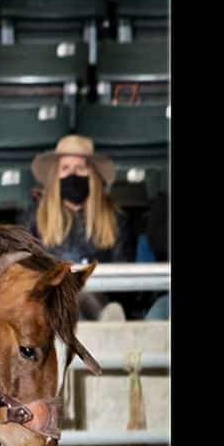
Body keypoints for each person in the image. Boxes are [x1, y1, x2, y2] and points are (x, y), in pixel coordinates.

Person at [24, 135, 136, 320]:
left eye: (80, 168)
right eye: (65, 168)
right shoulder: (34, 217)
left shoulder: (115, 219)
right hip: (48, 305)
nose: (72, 174)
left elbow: (124, 279)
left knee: (81, 290)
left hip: (99, 296)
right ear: (55, 175)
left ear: (91, 175)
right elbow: (24, 268)